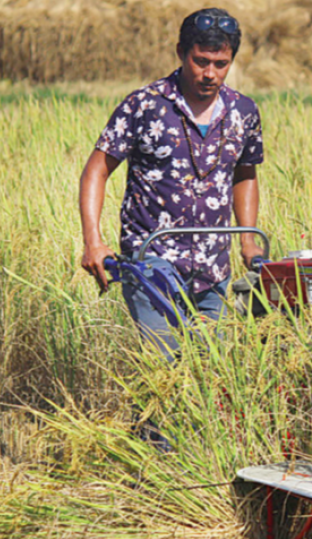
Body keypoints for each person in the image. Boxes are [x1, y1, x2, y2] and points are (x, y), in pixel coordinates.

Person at [80, 7, 264, 357]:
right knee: (166, 366)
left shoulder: (244, 112)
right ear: (181, 53)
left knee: (214, 371)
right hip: (152, 260)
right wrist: (93, 242)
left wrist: (248, 239)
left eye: (220, 64)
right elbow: (96, 171)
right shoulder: (144, 105)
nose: (210, 73)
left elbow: (246, 173)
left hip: (214, 267)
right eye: (200, 61)